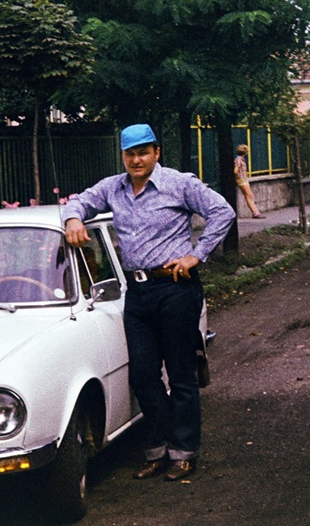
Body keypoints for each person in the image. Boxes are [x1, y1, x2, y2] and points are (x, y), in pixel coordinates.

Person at [62, 124, 234, 482]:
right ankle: (156, 450)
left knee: (181, 374)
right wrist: (74, 218)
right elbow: (78, 200)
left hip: (176, 288)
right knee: (142, 375)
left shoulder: (179, 183)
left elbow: (223, 212)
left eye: (143, 152)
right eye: (130, 154)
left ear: (156, 152)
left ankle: (184, 452)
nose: (136, 160)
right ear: (123, 157)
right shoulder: (114, 187)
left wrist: (196, 255)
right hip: (137, 294)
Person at [234, 144, 264, 219]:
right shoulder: (239, 160)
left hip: (243, 179)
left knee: (249, 195)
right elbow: (235, 171)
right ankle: (255, 213)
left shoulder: (240, 159)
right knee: (248, 195)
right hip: (241, 179)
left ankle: (255, 212)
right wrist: (236, 178)